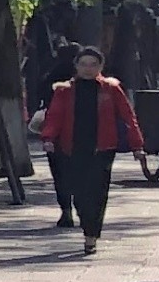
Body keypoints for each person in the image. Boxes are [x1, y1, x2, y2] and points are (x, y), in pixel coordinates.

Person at [40, 44, 144, 256]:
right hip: (72, 147)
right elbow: (54, 116)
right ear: (76, 66)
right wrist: (49, 138)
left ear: (100, 67)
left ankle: (91, 235)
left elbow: (128, 116)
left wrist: (137, 145)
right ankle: (86, 222)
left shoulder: (111, 89)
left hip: (103, 148)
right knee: (78, 192)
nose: (88, 69)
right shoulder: (64, 91)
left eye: (93, 65)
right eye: (84, 64)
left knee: (97, 191)